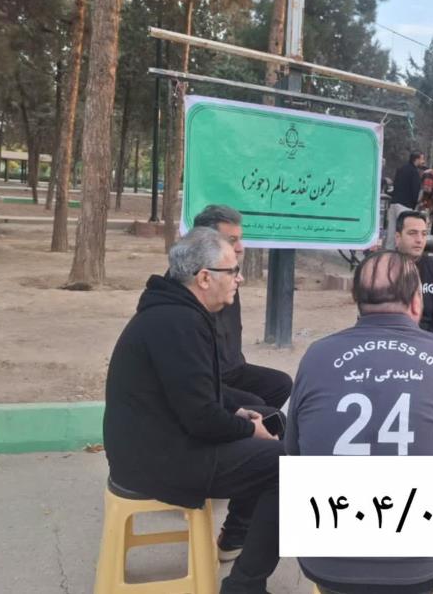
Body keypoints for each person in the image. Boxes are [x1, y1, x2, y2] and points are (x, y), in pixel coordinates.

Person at [285, 250, 433, 594]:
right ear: (417, 302)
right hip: (425, 567)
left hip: (325, 562)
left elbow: (293, 454)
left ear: (356, 300)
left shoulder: (316, 356)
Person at [103, 227, 282, 594]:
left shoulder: (176, 312)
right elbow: (202, 419)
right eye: (233, 271)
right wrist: (249, 430)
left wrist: (241, 413)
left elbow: (198, 391)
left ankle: (236, 537)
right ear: (204, 278)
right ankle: (245, 585)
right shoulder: (178, 322)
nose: (239, 278)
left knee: (273, 419)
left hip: (158, 444)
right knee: (287, 465)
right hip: (158, 461)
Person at [194, 205, 293, 413]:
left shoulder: (228, 275)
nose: (240, 248)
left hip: (231, 369)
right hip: (204, 378)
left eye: (240, 239)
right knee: (257, 406)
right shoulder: (190, 282)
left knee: (281, 384)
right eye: (231, 240)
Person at [394, 210, 433, 336]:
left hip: (426, 340)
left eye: (424, 234)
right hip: (390, 339)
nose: (419, 240)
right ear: (398, 237)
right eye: (412, 233)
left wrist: (424, 341)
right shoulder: (381, 269)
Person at [386, 152, 425, 249]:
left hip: (394, 203)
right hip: (405, 206)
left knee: (391, 231)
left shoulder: (401, 169)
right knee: (404, 230)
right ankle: (402, 252)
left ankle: (389, 252)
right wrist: (415, 205)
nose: (423, 161)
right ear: (416, 160)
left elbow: (395, 185)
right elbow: (415, 190)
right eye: (422, 159)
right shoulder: (414, 172)